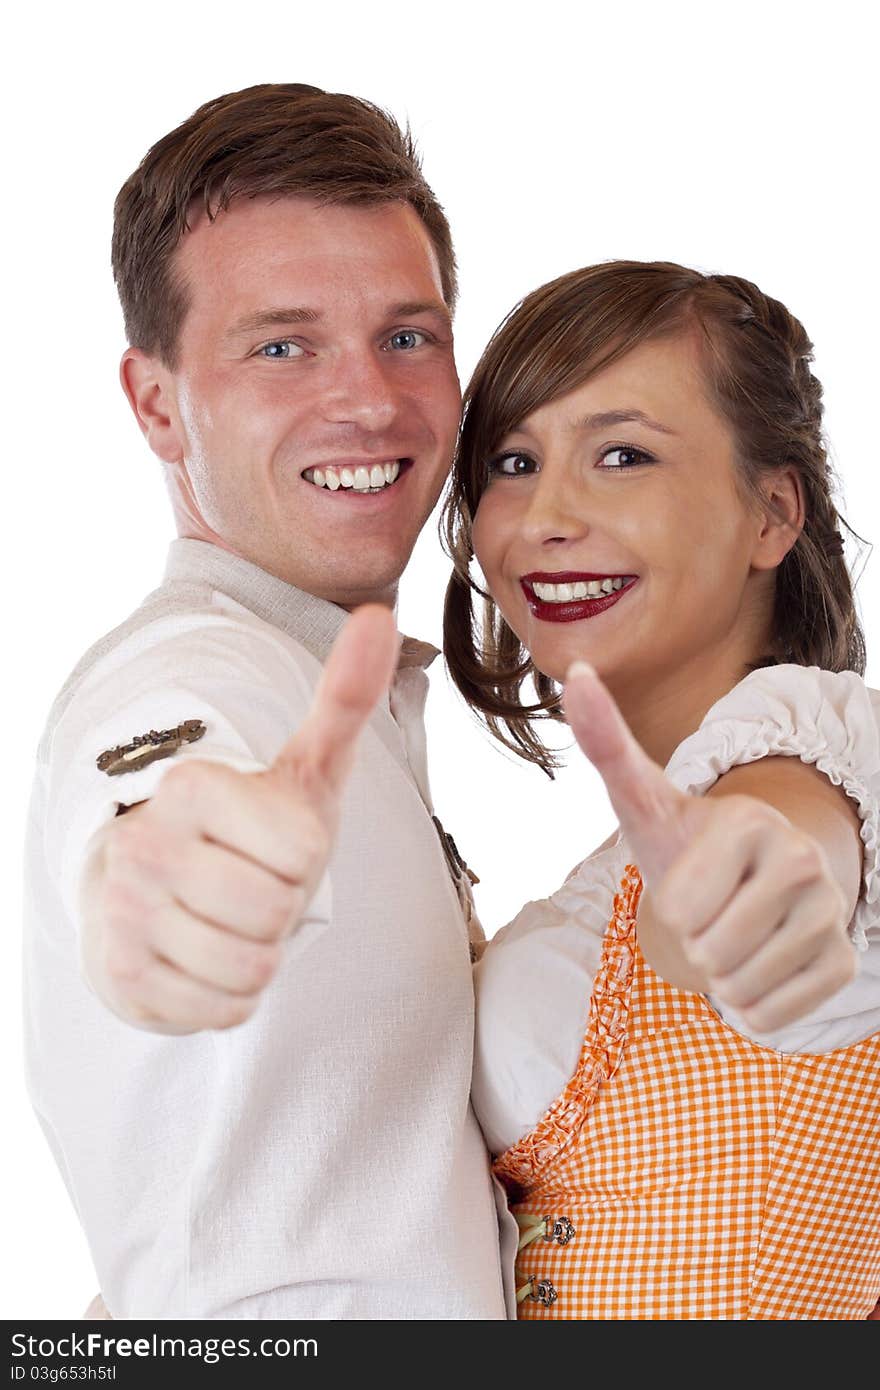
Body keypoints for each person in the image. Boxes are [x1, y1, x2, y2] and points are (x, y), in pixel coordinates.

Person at [23, 82, 514, 1321]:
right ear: (155, 404)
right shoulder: (197, 680)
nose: (368, 400)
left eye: (408, 335)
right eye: (281, 345)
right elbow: (159, 810)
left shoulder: (343, 687)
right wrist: (173, 890)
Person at [442, 260, 880, 1320]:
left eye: (621, 455)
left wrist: (756, 892)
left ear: (772, 515)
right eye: (513, 460)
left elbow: (783, 842)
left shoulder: (821, 761)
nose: (544, 515)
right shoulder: (606, 871)